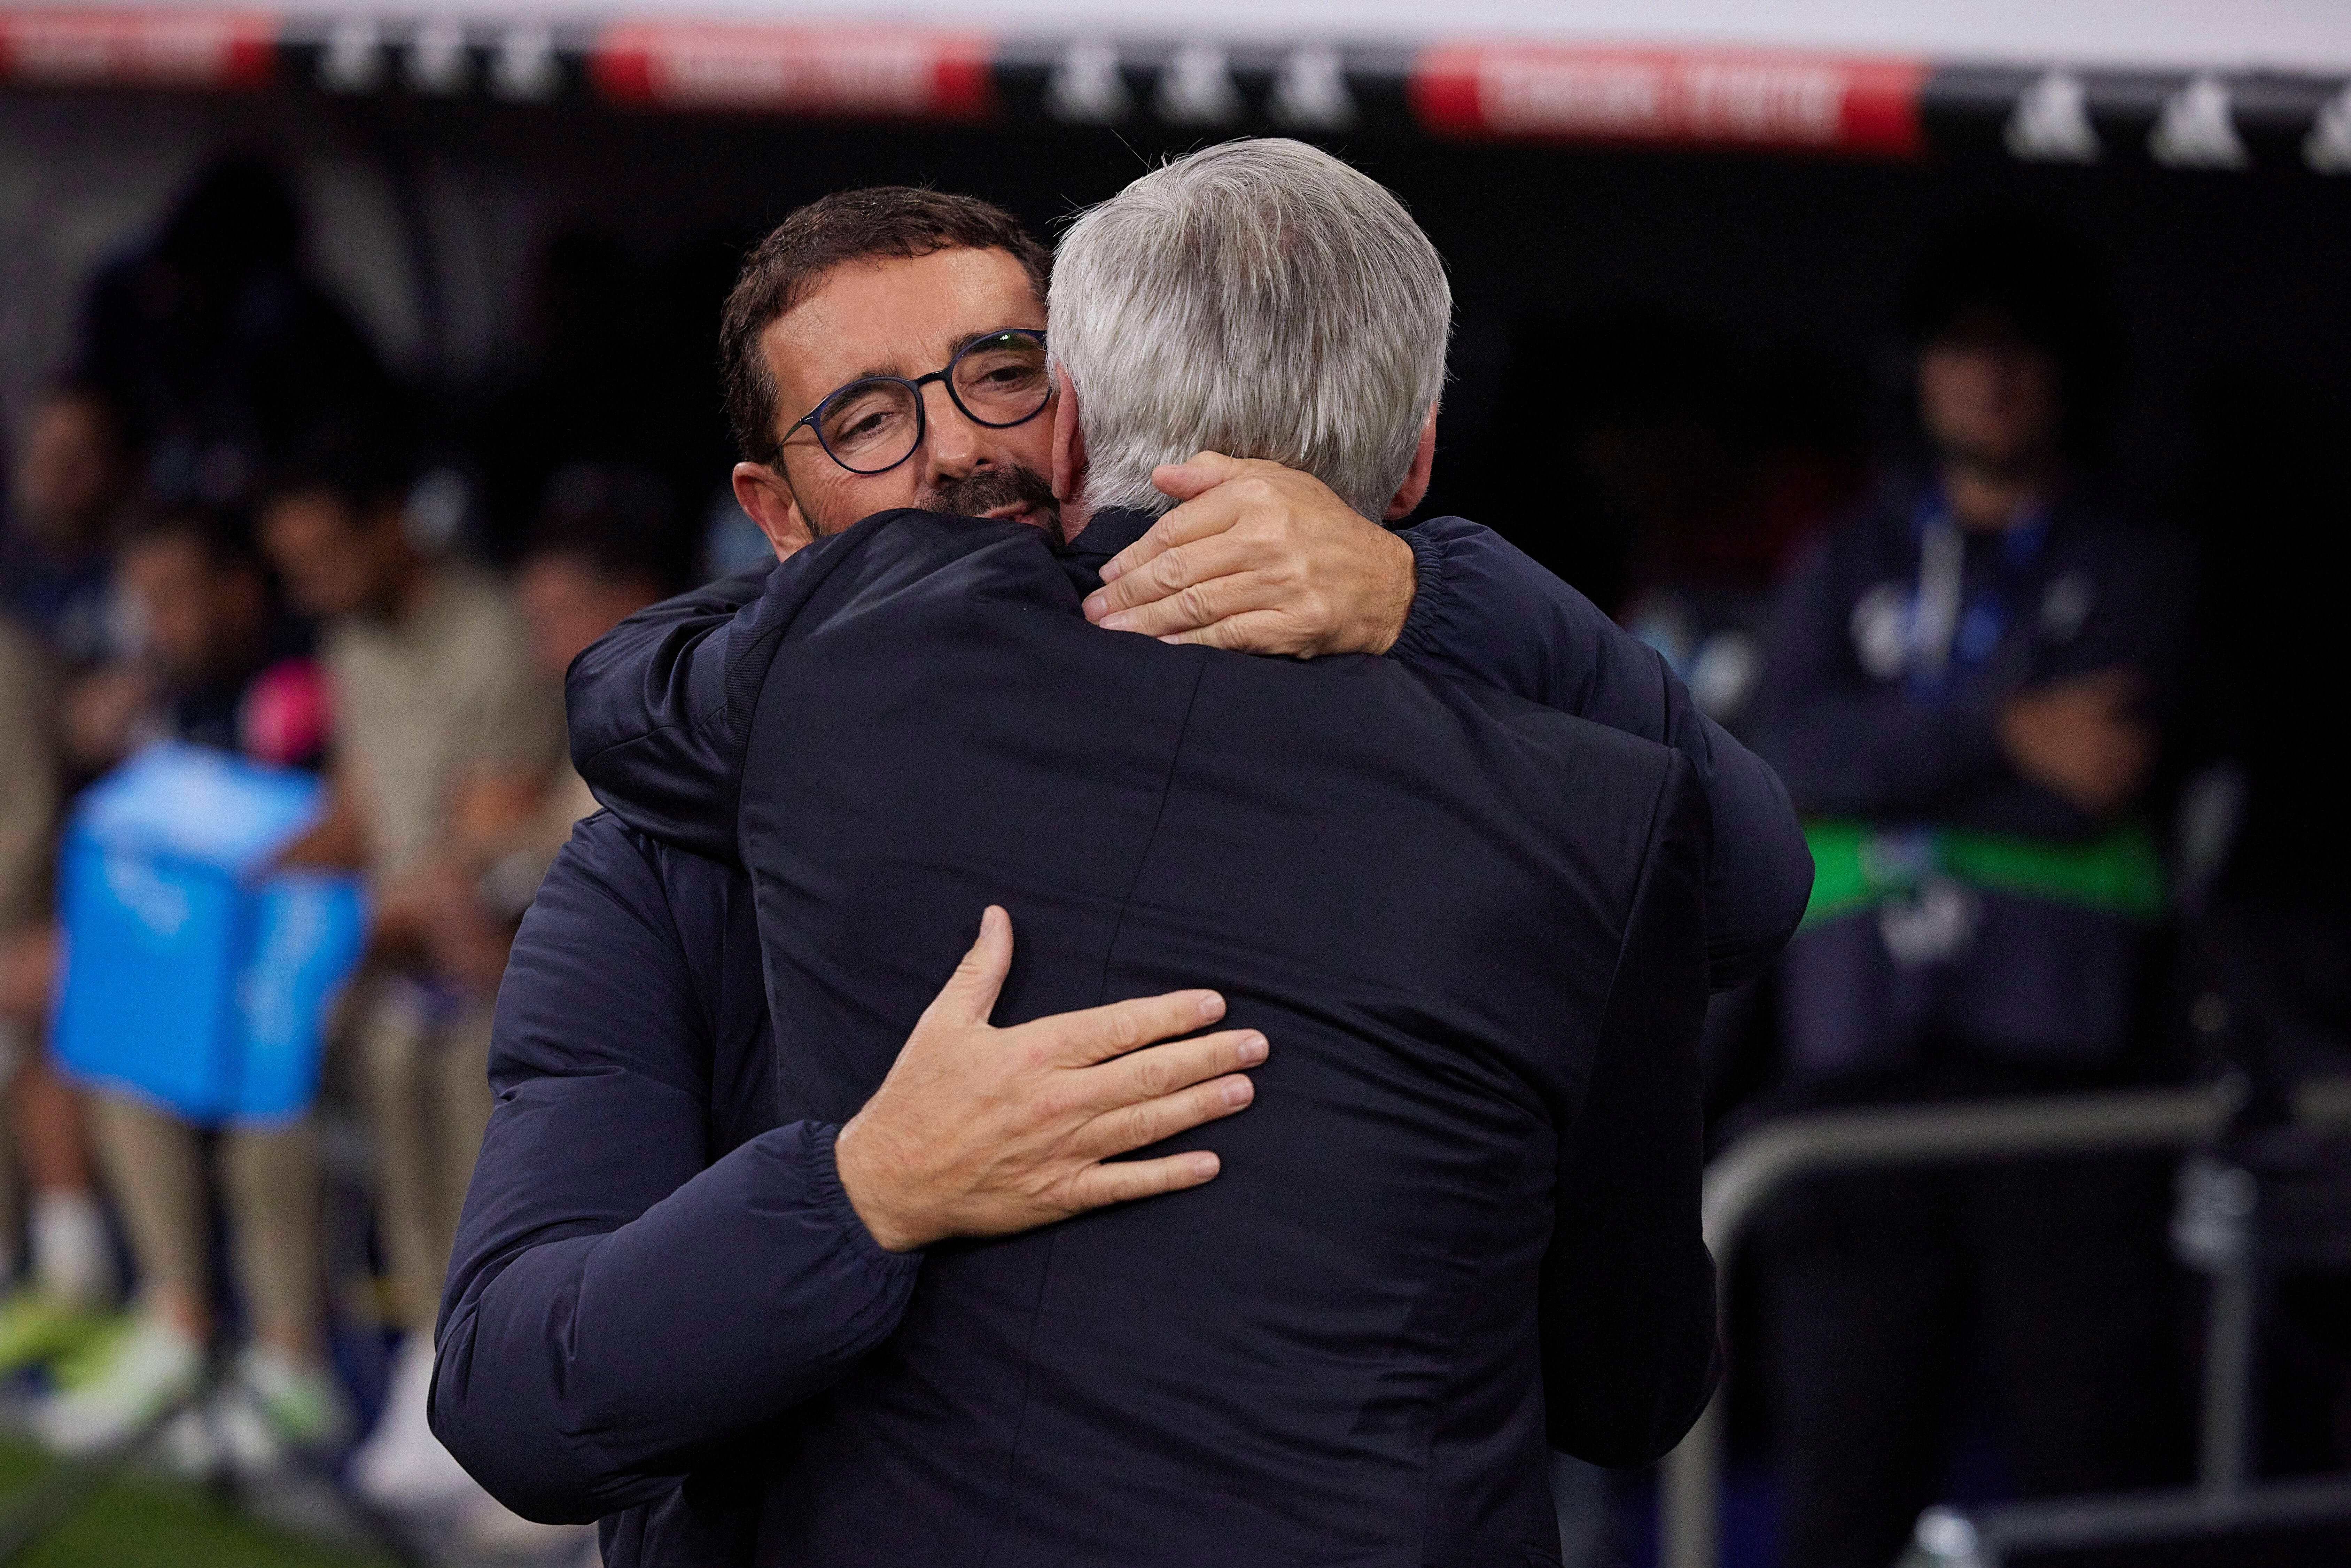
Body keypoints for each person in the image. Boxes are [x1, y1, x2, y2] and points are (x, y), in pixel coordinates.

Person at [439, 141, 1757, 1563]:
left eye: (998, 372)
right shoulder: (666, 858)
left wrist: (1428, 590)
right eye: (868, 418)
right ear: (773, 516)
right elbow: (516, 1390)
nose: (956, 449)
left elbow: (1739, 872)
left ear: (1077, 408)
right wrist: (858, 1193)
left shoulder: (1485, 771)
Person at [1746, 216, 2196, 1568]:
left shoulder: (2137, 562)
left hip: (2061, 1071)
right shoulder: (1840, 558)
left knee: (2081, 1460)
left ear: (2068, 374)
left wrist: (1882, 762)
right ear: (1914, 370)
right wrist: (2001, 735)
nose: (1987, 376)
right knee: (1843, 1462)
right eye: (1959, 346)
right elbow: (1777, 755)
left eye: (2018, 349)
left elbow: (2097, 777)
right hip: (1856, 1065)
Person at [254, 442, 573, 1541]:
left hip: (489, 942)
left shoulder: (488, 633)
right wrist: (246, 873)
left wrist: (376, 913)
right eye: (295, 566)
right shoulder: (348, 637)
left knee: (438, 1052)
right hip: (387, 948)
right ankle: (323, 1356)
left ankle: (474, 1379)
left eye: (328, 555)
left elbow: (496, 827)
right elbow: (355, 808)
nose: (314, 586)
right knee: (264, 1042)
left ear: (393, 524)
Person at [34, 508, 348, 1465]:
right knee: (115, 1043)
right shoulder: (161, 692)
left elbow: (321, 838)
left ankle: (292, 1368)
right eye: (148, 598)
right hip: (195, 960)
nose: (161, 618)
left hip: (303, 963)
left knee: (268, 1086)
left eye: (179, 594)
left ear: (239, 589)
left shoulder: (299, 686)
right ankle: (175, 1324)